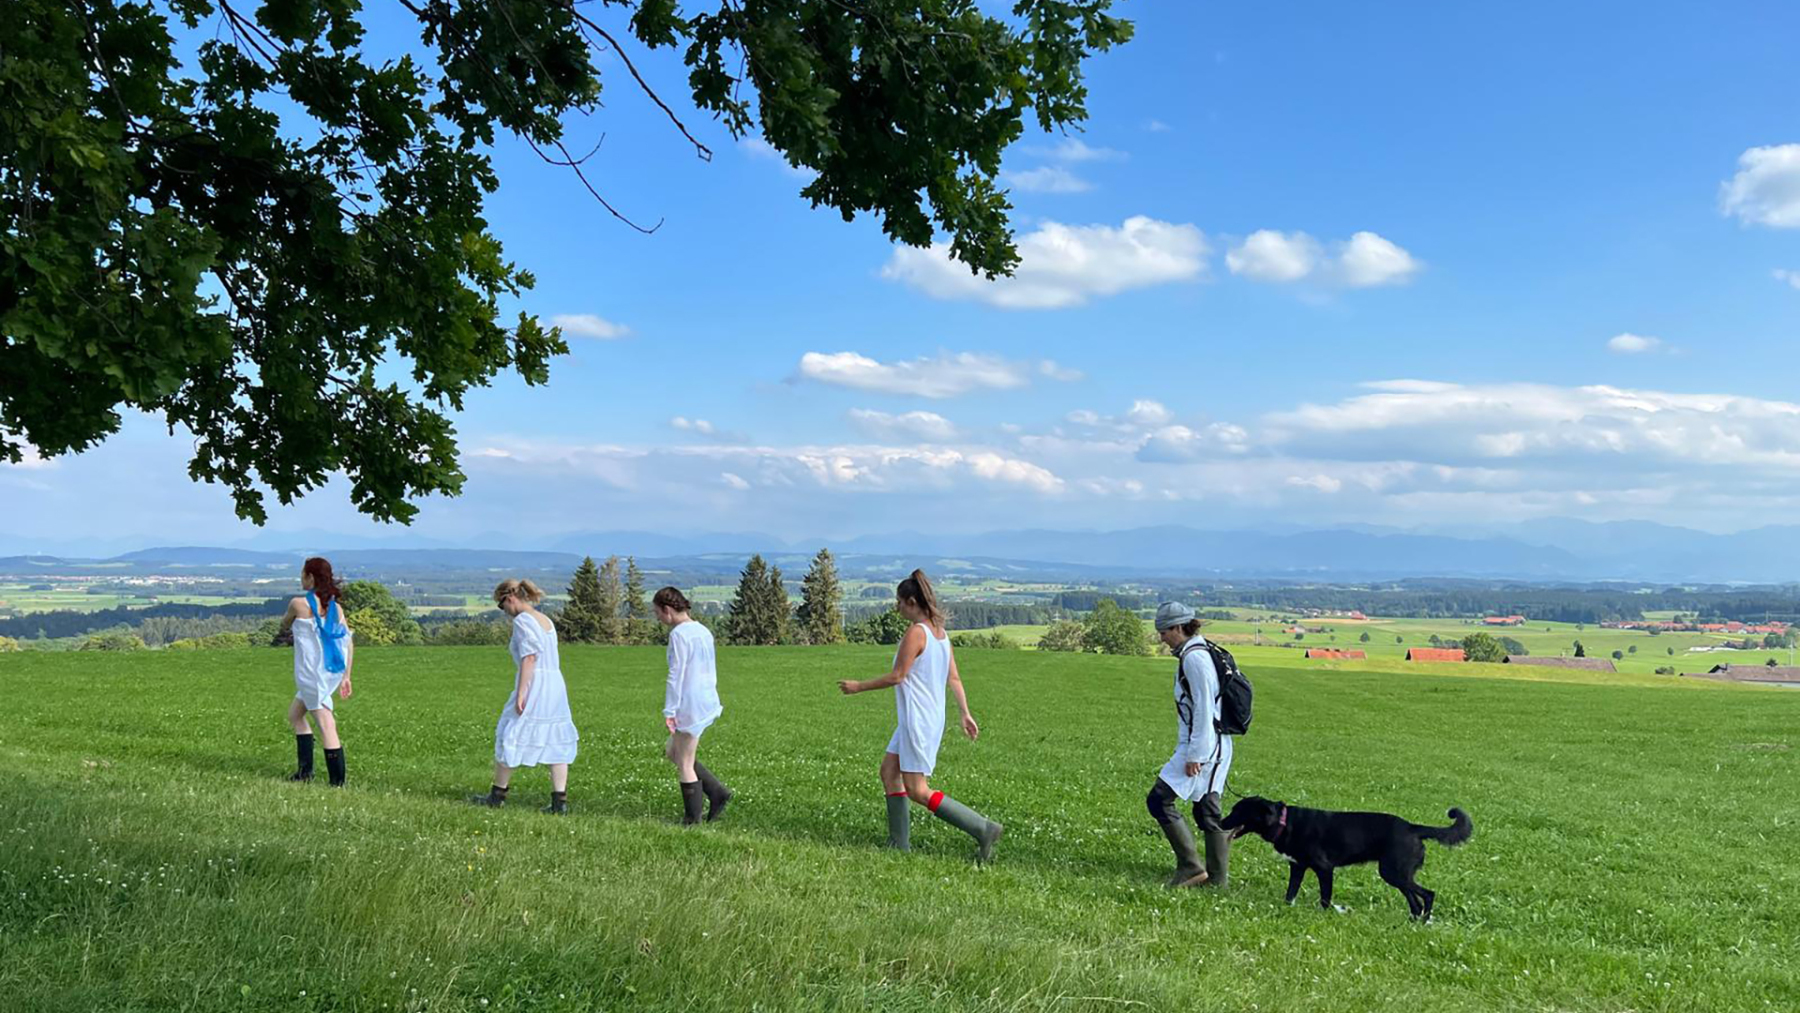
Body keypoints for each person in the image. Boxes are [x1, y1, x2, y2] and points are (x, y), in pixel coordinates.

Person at [838, 569, 1003, 862]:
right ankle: (898, 845)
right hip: (919, 719)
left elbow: (898, 676)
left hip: (918, 721)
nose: (897, 607)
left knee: (918, 790)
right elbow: (954, 678)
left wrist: (857, 687)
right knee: (889, 773)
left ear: (912, 602)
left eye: (899, 602)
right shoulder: (941, 634)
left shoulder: (917, 633)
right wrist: (965, 713)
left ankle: (983, 828)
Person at [470, 579, 579, 814]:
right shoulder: (545, 619)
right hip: (555, 685)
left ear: (510, 598)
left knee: (510, 731)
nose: (504, 612)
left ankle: (497, 795)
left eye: (502, 606)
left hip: (536, 684)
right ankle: (559, 801)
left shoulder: (523, 621)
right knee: (555, 738)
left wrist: (521, 693)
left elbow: (529, 657)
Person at [1147, 601, 1235, 888]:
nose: (1161, 638)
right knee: (1206, 807)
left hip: (1205, 745)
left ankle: (1192, 867)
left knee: (1159, 799)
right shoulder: (1196, 652)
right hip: (1210, 743)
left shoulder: (1194, 659)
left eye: (1164, 631)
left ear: (1178, 627)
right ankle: (1216, 879)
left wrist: (1196, 753)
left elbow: (1204, 709)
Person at [654, 587, 732, 824]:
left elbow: (676, 674)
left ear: (668, 610)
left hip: (689, 703)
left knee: (685, 762)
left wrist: (670, 710)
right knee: (673, 751)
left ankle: (692, 819)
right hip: (705, 698)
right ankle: (716, 790)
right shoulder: (702, 630)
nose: (658, 618)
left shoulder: (679, 635)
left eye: (657, 613)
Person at [277, 557, 354, 787]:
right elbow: (348, 642)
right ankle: (305, 771)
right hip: (329, 672)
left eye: (303, 574)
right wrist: (346, 676)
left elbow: (284, 624)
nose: (301, 578)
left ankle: (337, 783)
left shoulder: (298, 604)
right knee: (295, 715)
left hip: (311, 674)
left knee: (326, 724)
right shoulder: (335, 608)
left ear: (310, 577)